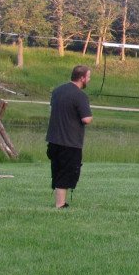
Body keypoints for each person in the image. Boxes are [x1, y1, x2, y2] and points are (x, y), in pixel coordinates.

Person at [46, 65, 93, 208]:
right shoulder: (80, 96)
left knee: (58, 171)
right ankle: (60, 204)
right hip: (70, 141)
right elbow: (86, 119)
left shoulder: (57, 91)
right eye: (88, 77)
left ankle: (60, 202)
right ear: (81, 78)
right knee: (67, 172)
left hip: (54, 139)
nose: (89, 80)